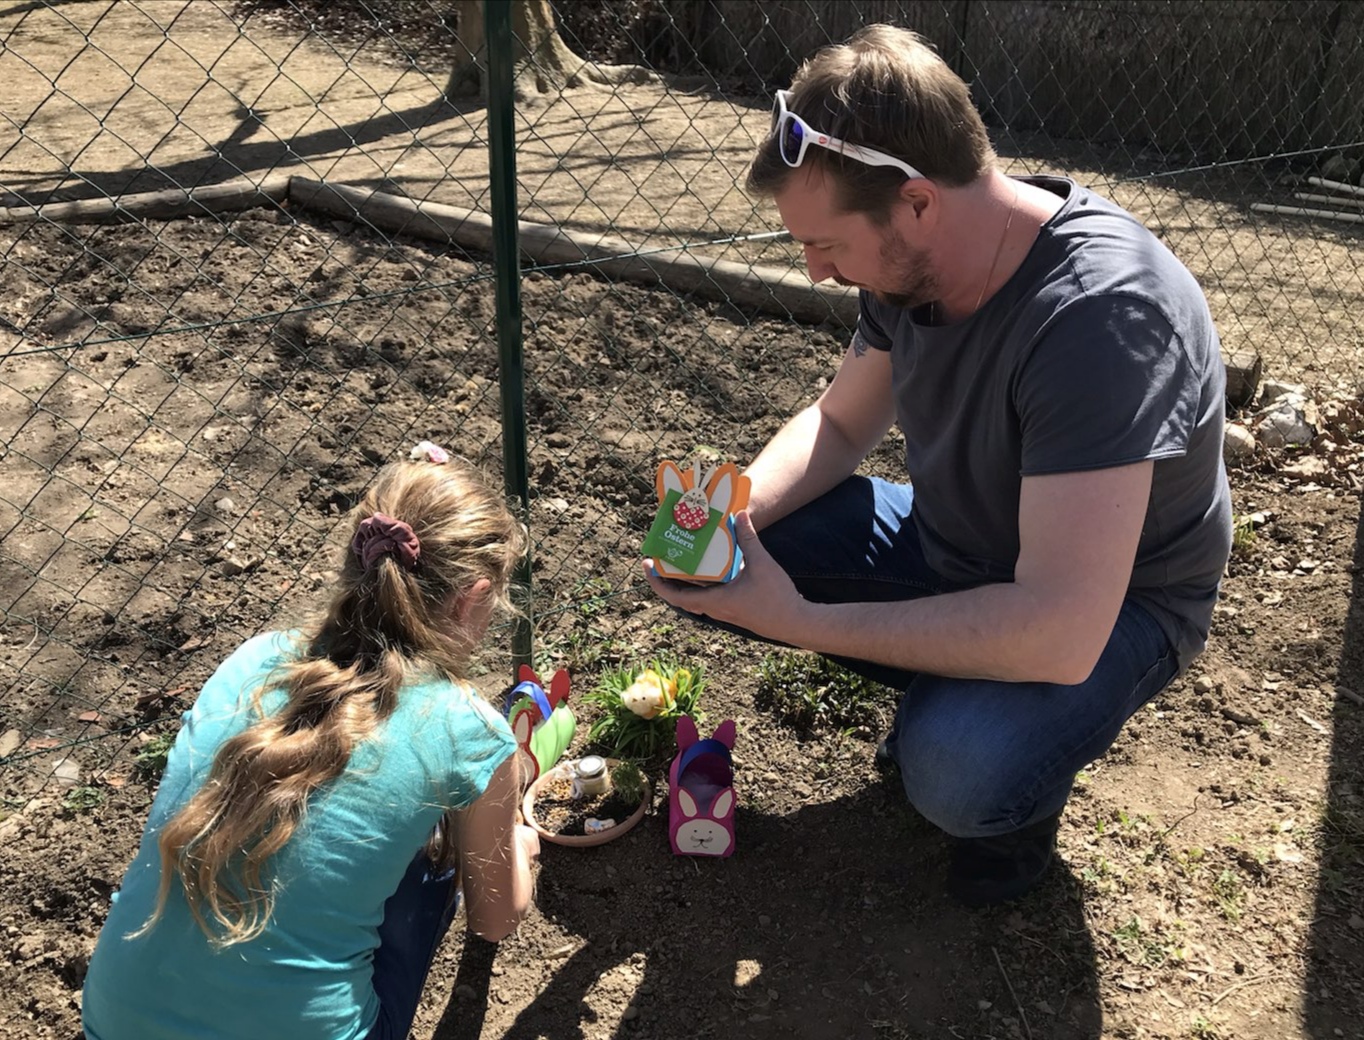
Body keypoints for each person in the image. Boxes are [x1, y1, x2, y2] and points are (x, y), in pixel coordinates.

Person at [645, 25, 1232, 907]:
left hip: (1114, 609)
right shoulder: (914, 268)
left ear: (917, 202)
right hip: (956, 541)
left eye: (826, 245)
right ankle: (957, 675)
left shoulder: (1100, 321)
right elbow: (841, 425)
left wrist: (797, 618)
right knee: (741, 550)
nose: (815, 270)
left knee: (958, 771)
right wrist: (727, 520)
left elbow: (1060, 628)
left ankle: (1009, 799)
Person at [83, 448, 539, 1040]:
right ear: (471, 598)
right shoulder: (468, 733)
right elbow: (496, 922)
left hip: (116, 1023)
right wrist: (517, 846)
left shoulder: (254, 659)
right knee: (435, 855)